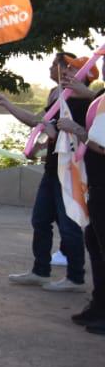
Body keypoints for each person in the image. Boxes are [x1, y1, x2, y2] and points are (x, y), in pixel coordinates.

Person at [0, 53, 94, 291]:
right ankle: (40, 271)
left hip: (71, 171)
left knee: (69, 225)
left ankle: (75, 277)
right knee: (40, 219)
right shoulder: (59, 96)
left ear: (78, 74)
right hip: (52, 169)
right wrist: (7, 104)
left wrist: (60, 133)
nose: (58, 70)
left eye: (66, 68)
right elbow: (39, 122)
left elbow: (89, 139)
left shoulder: (88, 103)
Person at [55, 95, 105, 334]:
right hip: (96, 185)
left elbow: (102, 144)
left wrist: (76, 130)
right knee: (95, 246)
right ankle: (99, 306)